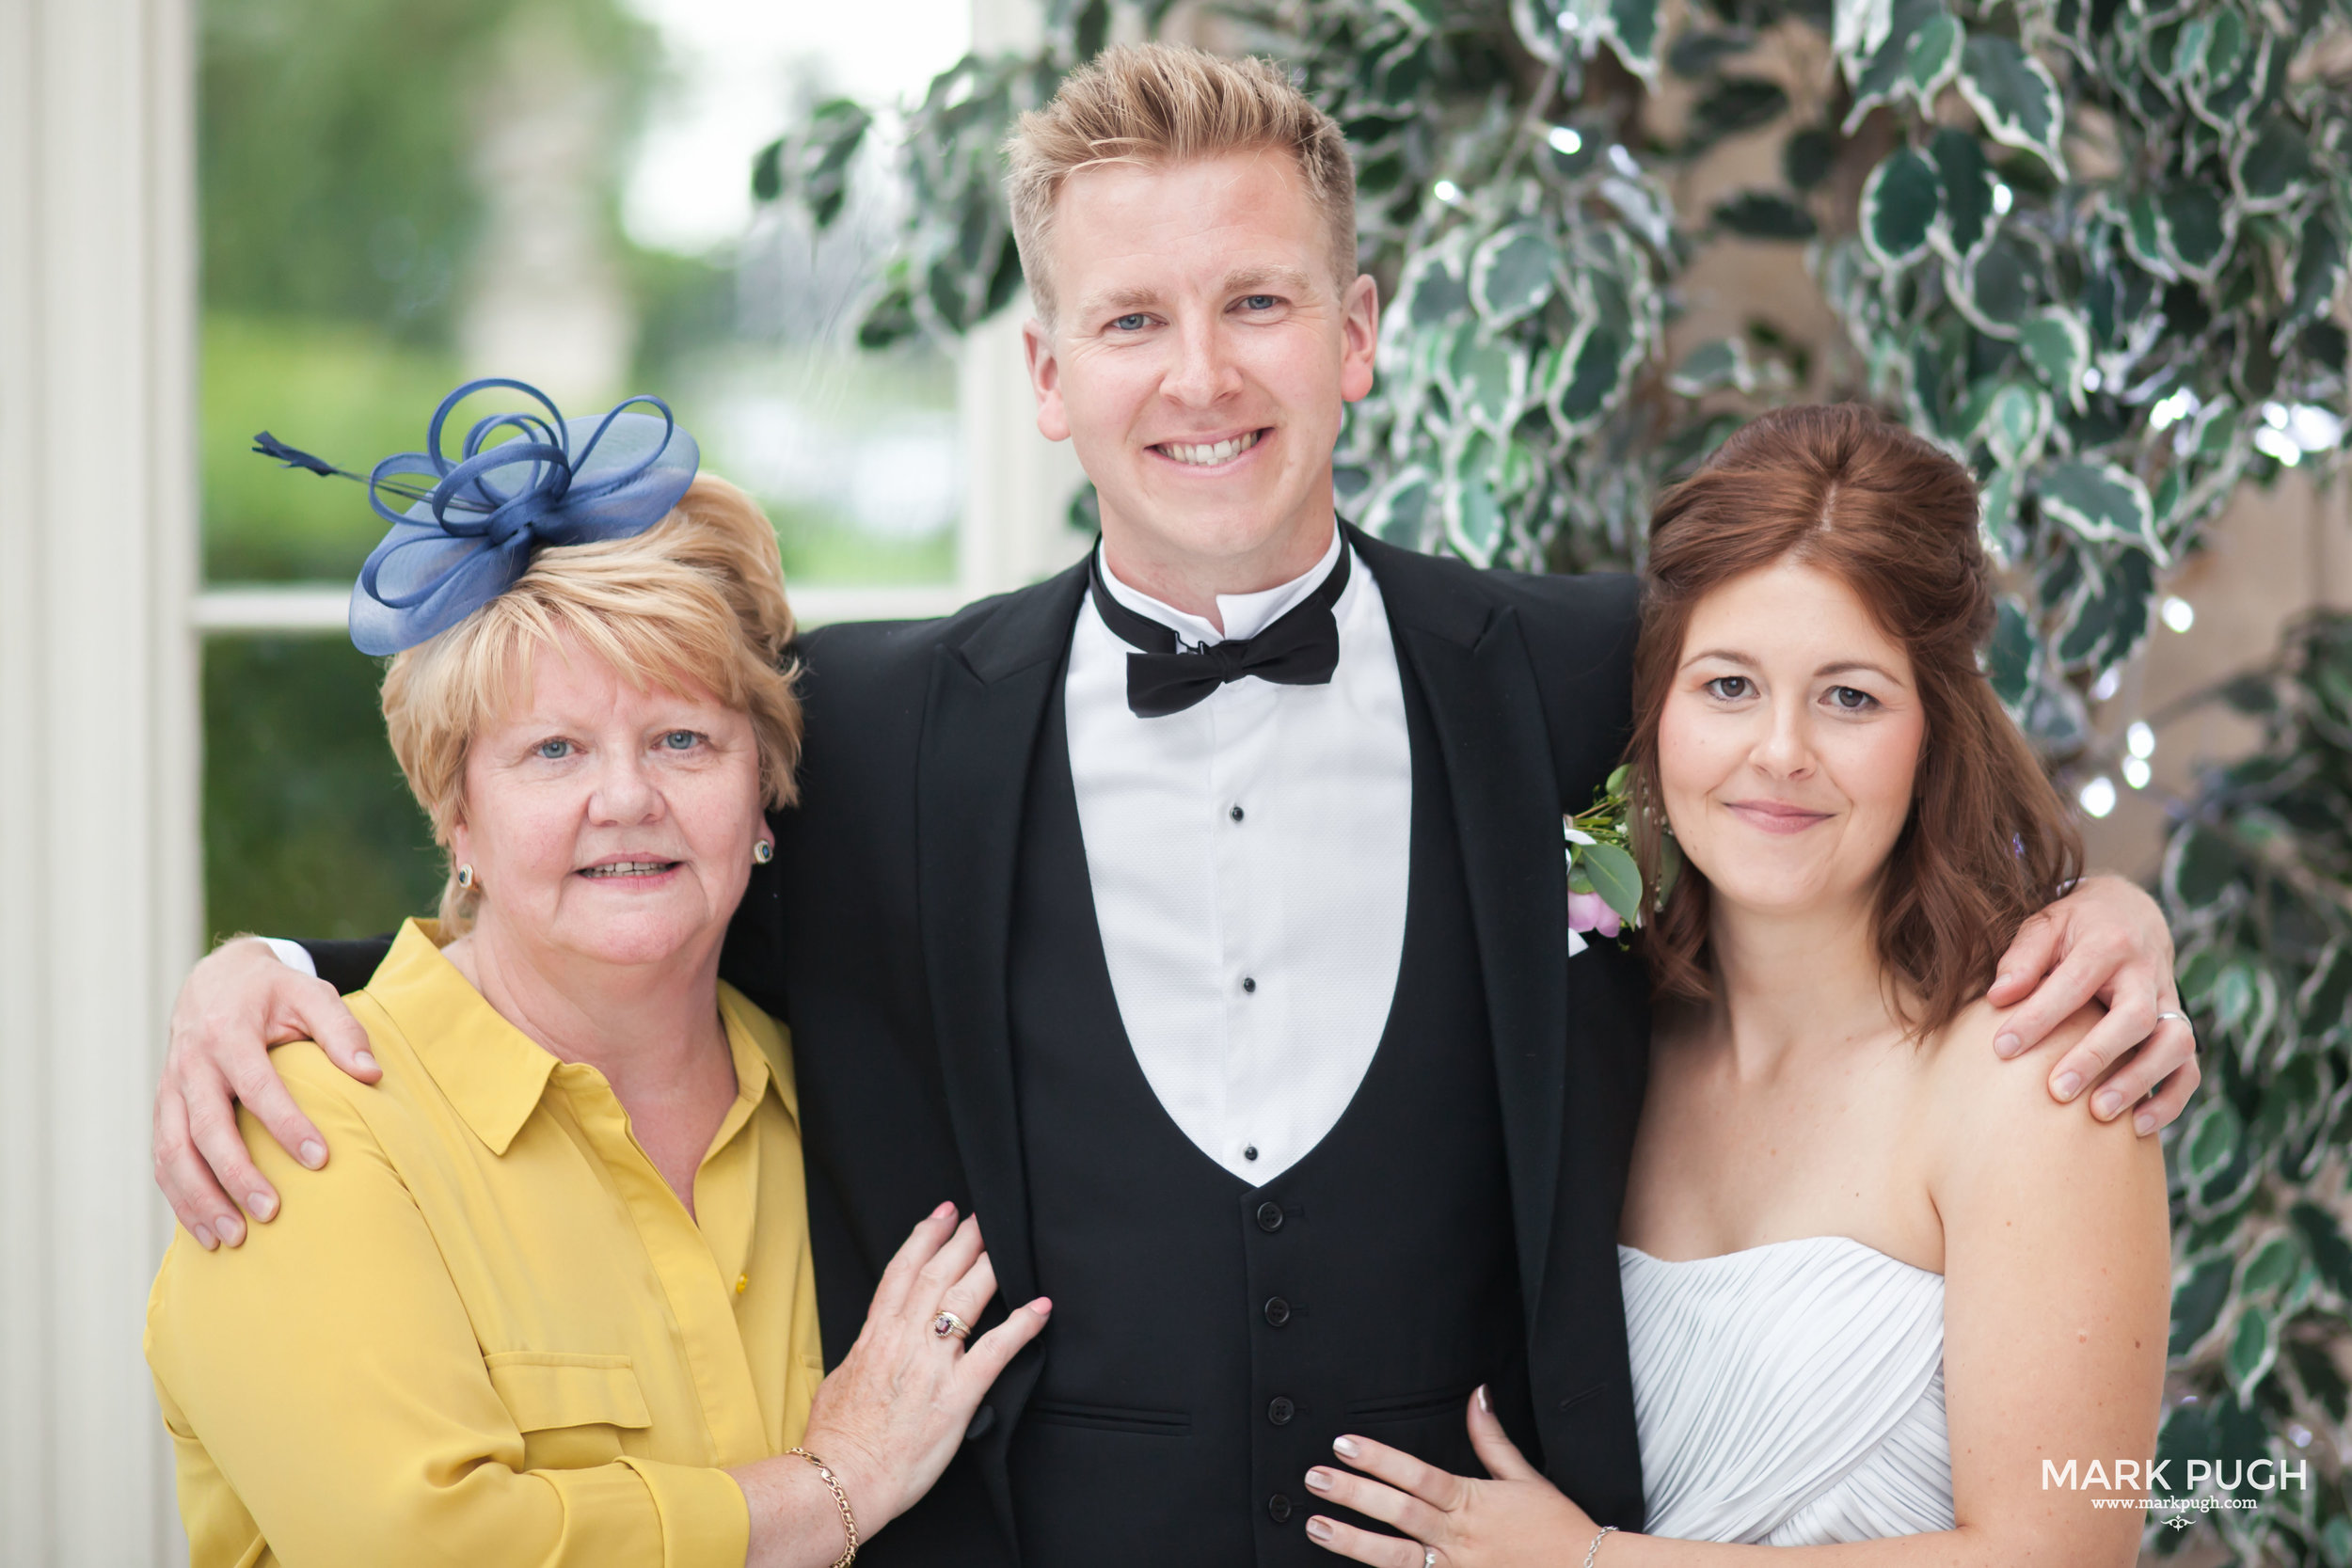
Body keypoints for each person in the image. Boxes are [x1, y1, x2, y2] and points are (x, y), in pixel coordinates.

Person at [151, 47, 2197, 1568]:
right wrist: (265, 967)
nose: (1196, 372)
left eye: (1254, 302)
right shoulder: (869, 729)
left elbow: (1843, 742)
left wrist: (2112, 913)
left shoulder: (1589, 671)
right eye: (1130, 318)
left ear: (1355, 332)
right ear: (1047, 373)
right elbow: (609, 876)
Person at [146, 384, 1050, 1568]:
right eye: (552, 750)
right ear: (455, 815)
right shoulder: (301, 1124)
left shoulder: (852, 1105)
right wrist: (833, 1485)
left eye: (684, 739)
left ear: (763, 790)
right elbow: (431, 1548)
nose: (624, 799)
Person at [1296, 407, 2170, 1567]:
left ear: (1934, 728)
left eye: (1849, 696)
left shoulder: (2037, 1077)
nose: (1779, 751)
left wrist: (1592, 1563)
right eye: (1727, 686)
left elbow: (2064, 1553)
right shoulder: (1601, 1032)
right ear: (1656, 705)